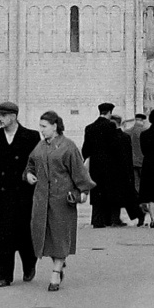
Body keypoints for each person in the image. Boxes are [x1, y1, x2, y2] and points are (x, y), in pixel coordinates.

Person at [25, 110, 95, 292]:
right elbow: (30, 165)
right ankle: (58, 263)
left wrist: (83, 191)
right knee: (46, 236)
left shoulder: (68, 147)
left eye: (44, 126)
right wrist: (29, 175)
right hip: (42, 200)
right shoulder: (39, 147)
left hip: (62, 200)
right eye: (40, 126)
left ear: (55, 126)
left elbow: (79, 171)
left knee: (61, 235)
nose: (41, 130)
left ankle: (56, 272)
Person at [0, 101, 40, 287]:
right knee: (1, 235)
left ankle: (29, 262)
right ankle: (2, 275)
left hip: (23, 193)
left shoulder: (31, 136)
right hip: (0, 193)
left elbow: (35, 163)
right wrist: (0, 183)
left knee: (23, 232)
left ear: (14, 116)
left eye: (3, 115)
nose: (0, 119)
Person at [81, 102, 121, 228]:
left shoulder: (89, 127)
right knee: (109, 191)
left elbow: (85, 148)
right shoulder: (111, 126)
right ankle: (108, 219)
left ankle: (97, 219)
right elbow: (115, 146)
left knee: (96, 191)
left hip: (95, 164)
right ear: (109, 113)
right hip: (109, 164)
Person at [110, 115, 145, 227]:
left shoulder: (124, 135)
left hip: (121, 170)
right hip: (125, 168)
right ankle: (116, 219)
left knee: (127, 196)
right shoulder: (122, 135)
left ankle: (139, 213)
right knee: (122, 196)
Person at [124, 112, 148, 193]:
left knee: (135, 183)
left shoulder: (127, 132)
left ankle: (137, 201)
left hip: (131, 161)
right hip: (143, 161)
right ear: (142, 121)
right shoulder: (145, 131)